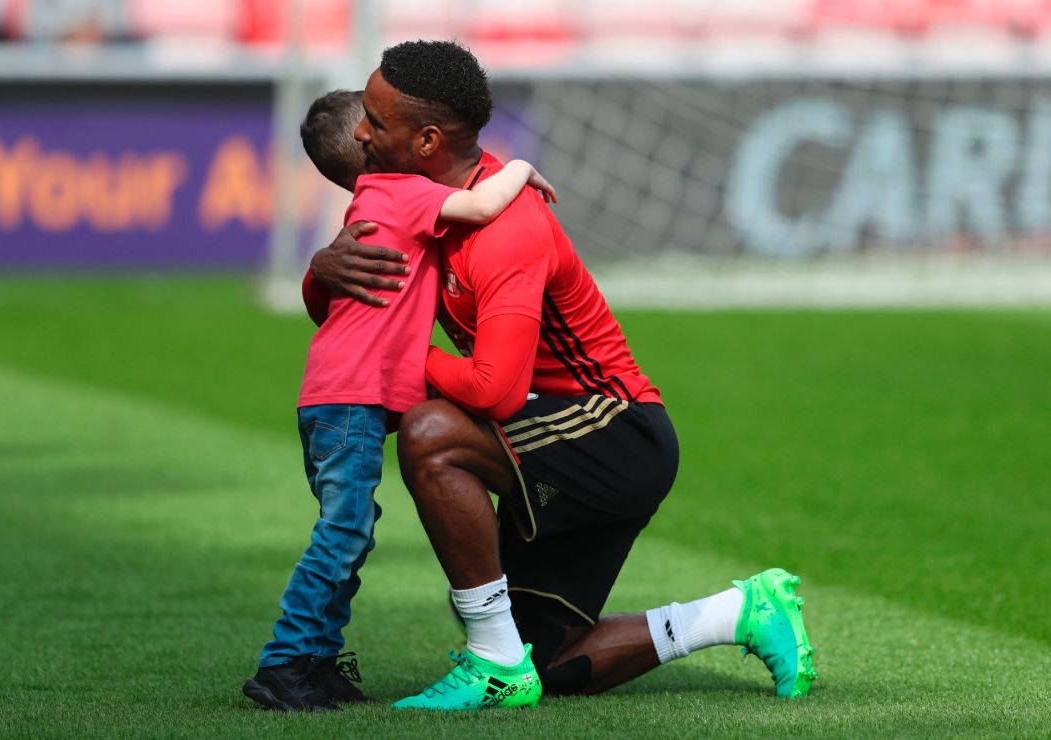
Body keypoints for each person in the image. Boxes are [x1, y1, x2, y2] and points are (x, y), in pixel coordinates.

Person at [309, 40, 818, 711]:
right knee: (550, 662)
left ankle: (491, 664)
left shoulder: (505, 230)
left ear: (427, 139)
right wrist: (323, 271)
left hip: (612, 429)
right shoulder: (420, 207)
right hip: (544, 435)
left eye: (375, 119)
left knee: (430, 431)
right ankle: (740, 613)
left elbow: (495, 390)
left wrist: (401, 362)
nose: (361, 133)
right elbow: (348, 318)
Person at [242, 88, 557, 713]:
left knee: (351, 531)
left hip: (335, 398)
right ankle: (285, 662)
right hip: (350, 401)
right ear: (371, 144)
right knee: (342, 532)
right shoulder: (403, 194)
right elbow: (483, 201)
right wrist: (519, 168)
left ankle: (317, 660)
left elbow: (327, 310)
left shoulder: (367, 206)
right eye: (382, 120)